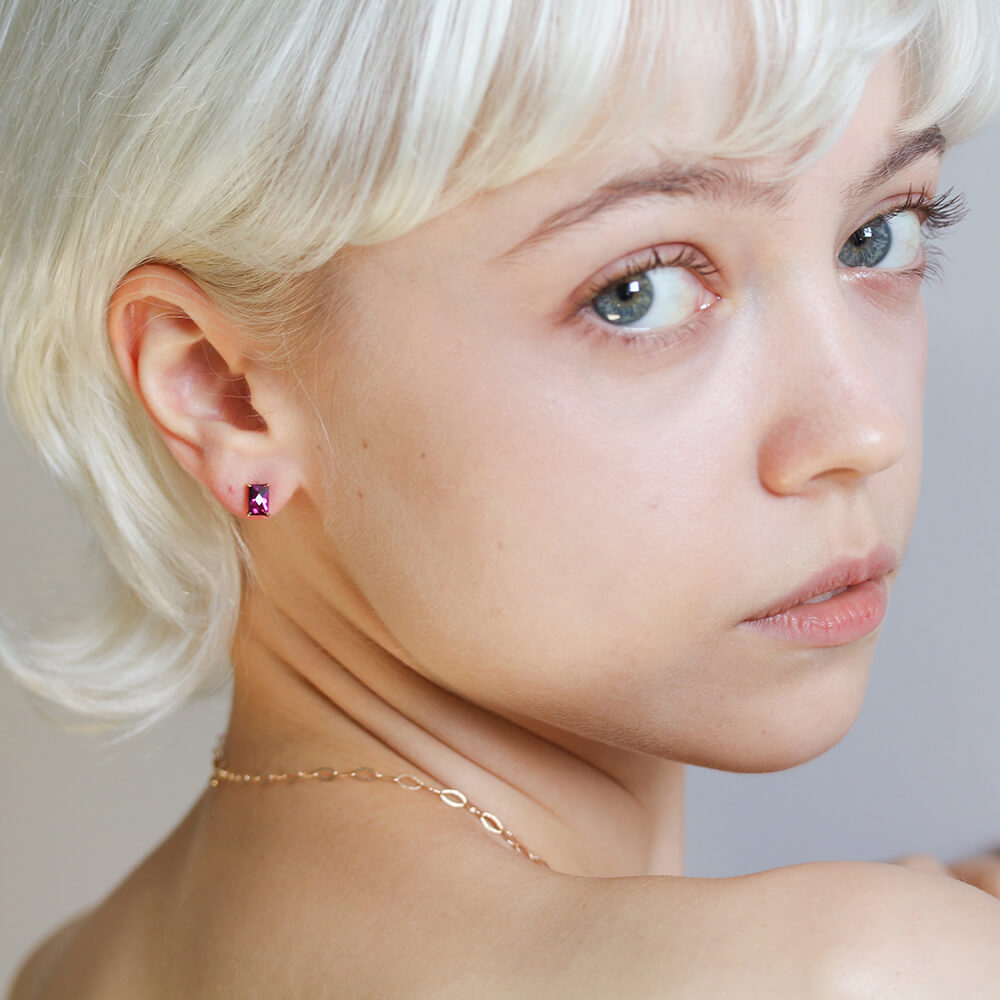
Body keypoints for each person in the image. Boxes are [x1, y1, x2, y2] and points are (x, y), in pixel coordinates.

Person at [4, 0, 1000, 995]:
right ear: (225, 395)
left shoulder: (69, 968)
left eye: (877, 236)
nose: (862, 431)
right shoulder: (859, 969)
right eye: (638, 292)